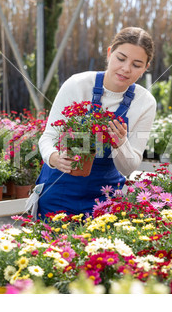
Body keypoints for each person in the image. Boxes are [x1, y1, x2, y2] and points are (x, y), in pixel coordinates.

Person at [37, 27, 156, 218]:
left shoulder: (145, 103)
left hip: (105, 201)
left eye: (136, 64)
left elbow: (128, 167)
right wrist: (53, 157)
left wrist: (121, 143)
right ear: (110, 53)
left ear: (145, 67)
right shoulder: (77, 85)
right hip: (58, 193)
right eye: (121, 58)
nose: (126, 68)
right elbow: (48, 137)